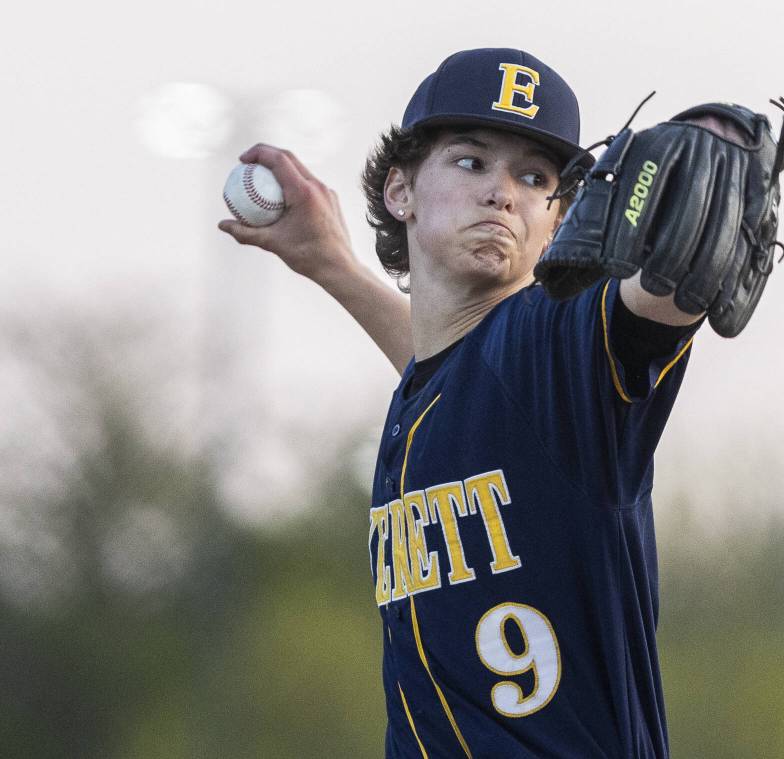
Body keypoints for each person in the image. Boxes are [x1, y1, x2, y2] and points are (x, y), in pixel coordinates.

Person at [220, 48, 708, 758]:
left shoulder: (560, 345)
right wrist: (333, 265)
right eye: (472, 162)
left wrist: (679, 263)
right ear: (401, 191)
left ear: (558, 221)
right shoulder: (440, 390)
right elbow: (449, 370)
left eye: (535, 178)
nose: (503, 192)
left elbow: (647, 310)